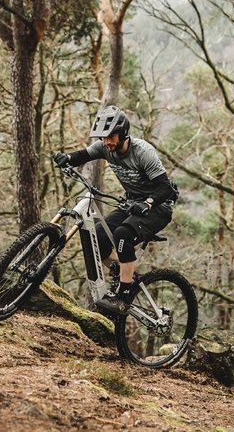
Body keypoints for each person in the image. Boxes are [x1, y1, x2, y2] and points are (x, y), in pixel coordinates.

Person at [53, 105, 177, 315]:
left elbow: (166, 188)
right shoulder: (104, 147)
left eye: (111, 137)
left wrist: (147, 203)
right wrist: (68, 158)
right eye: (103, 137)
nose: (107, 141)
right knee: (98, 237)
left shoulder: (143, 152)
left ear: (123, 133)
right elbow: (83, 155)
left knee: (122, 235)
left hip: (158, 206)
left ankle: (124, 297)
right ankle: (124, 270)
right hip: (131, 203)